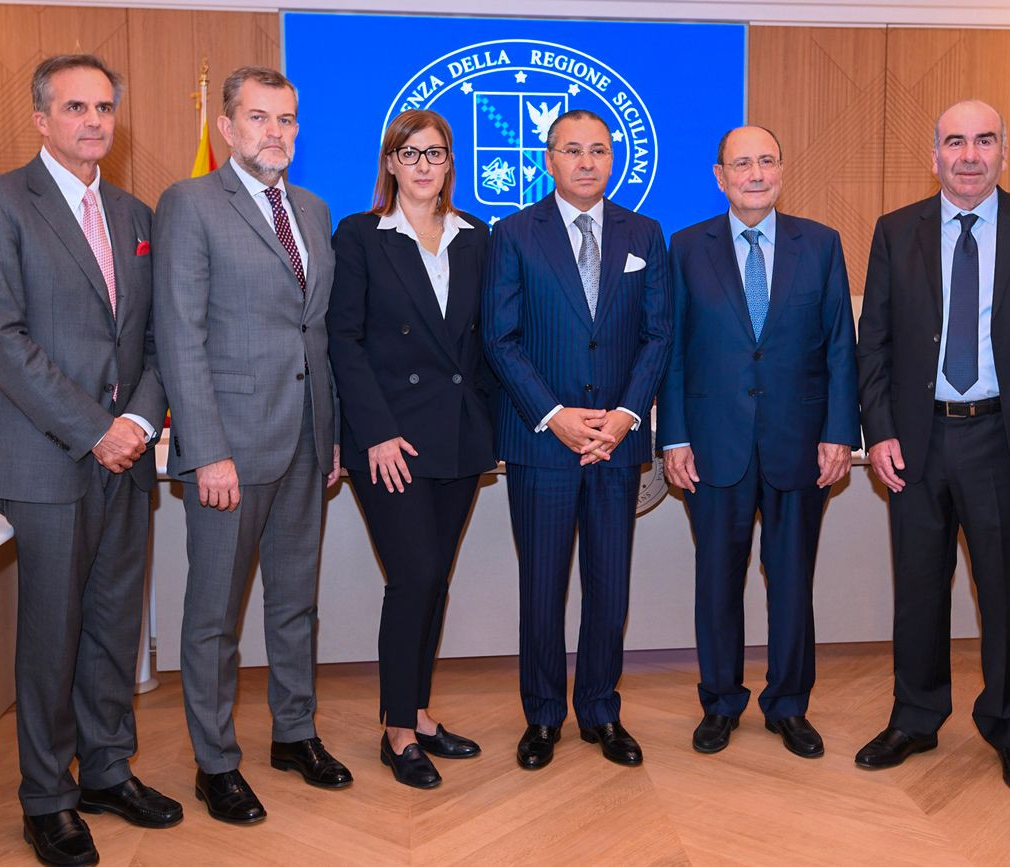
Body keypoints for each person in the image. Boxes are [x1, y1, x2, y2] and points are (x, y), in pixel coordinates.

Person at [0, 54, 181, 865]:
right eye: (75, 106)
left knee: (114, 627)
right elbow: (2, 340)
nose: (94, 120)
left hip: (128, 454)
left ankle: (108, 770)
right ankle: (47, 797)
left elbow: (156, 337)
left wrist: (139, 421)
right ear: (42, 119)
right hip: (48, 456)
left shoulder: (132, 211)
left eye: (104, 107)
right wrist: (97, 428)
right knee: (51, 633)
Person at [855, 99, 1010, 793]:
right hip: (917, 439)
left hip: (1003, 438)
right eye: (956, 141)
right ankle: (916, 716)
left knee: (1007, 592)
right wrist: (880, 429)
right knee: (918, 588)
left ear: (1003, 153)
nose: (970, 154)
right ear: (936, 155)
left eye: (985, 140)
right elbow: (877, 343)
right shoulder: (898, 231)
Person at [153, 66, 350, 824]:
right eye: (260, 118)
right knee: (215, 615)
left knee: (296, 604)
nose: (277, 132)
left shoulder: (313, 206)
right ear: (228, 127)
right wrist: (207, 449)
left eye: (288, 119)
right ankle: (215, 762)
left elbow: (316, 332)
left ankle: (294, 733)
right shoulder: (191, 203)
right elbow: (179, 334)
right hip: (229, 446)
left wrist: (328, 432)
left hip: (305, 440)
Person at [656, 126, 860, 757]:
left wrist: (839, 434)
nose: (755, 173)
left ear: (781, 170)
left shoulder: (821, 244)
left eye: (766, 161)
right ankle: (720, 703)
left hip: (800, 443)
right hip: (712, 443)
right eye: (741, 164)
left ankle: (789, 705)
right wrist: (674, 437)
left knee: (792, 578)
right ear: (719, 176)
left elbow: (839, 346)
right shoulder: (686, 246)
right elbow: (674, 351)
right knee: (717, 578)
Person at [483, 108, 671, 769]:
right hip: (543, 445)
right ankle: (542, 717)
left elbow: (657, 335)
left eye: (598, 149)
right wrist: (555, 415)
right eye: (572, 150)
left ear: (612, 158)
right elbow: (499, 339)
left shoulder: (645, 232)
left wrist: (624, 415)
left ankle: (600, 710)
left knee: (609, 587)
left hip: (617, 444)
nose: (587, 161)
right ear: (549, 160)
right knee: (542, 586)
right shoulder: (513, 235)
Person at [327, 109, 494, 789]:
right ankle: (397, 729)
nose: (425, 165)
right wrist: (372, 432)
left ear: (451, 163)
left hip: (457, 435)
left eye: (437, 153)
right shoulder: (362, 235)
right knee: (414, 576)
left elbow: (483, 343)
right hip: (390, 440)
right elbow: (345, 340)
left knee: (436, 580)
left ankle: (419, 711)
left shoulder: (475, 236)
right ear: (390, 163)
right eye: (410, 154)